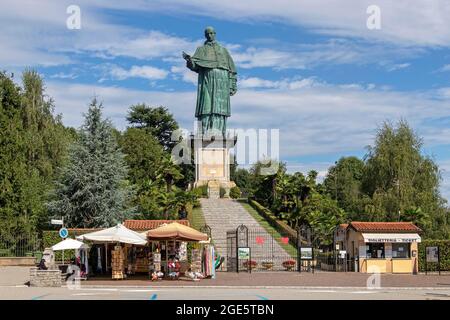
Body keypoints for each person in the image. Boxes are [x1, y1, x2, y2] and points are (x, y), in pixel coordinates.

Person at [183, 26, 237, 137]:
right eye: (208, 33)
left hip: (222, 81)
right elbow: (195, 65)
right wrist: (189, 61)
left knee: (220, 107)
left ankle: (219, 131)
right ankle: (204, 131)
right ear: (205, 35)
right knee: (206, 105)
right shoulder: (201, 49)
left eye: (212, 33)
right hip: (207, 80)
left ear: (215, 34)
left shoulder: (223, 50)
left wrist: (232, 85)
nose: (210, 35)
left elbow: (232, 70)